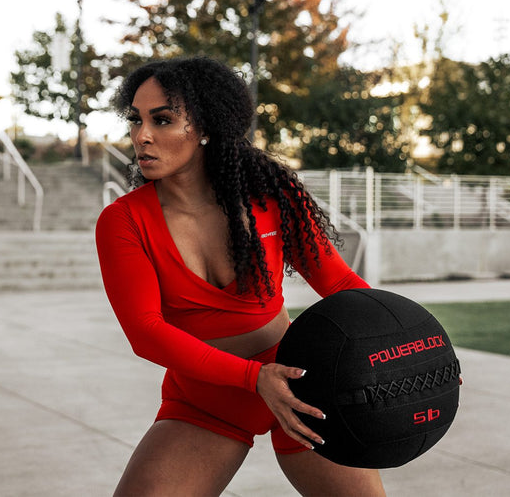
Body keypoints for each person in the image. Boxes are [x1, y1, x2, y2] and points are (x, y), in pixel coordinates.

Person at [95, 56, 386, 496]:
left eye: (163, 119)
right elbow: (146, 332)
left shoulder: (272, 194)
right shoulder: (123, 220)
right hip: (208, 399)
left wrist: (414, 342)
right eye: (135, 119)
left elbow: (341, 285)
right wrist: (253, 379)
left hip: (303, 384)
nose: (142, 135)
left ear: (207, 126)